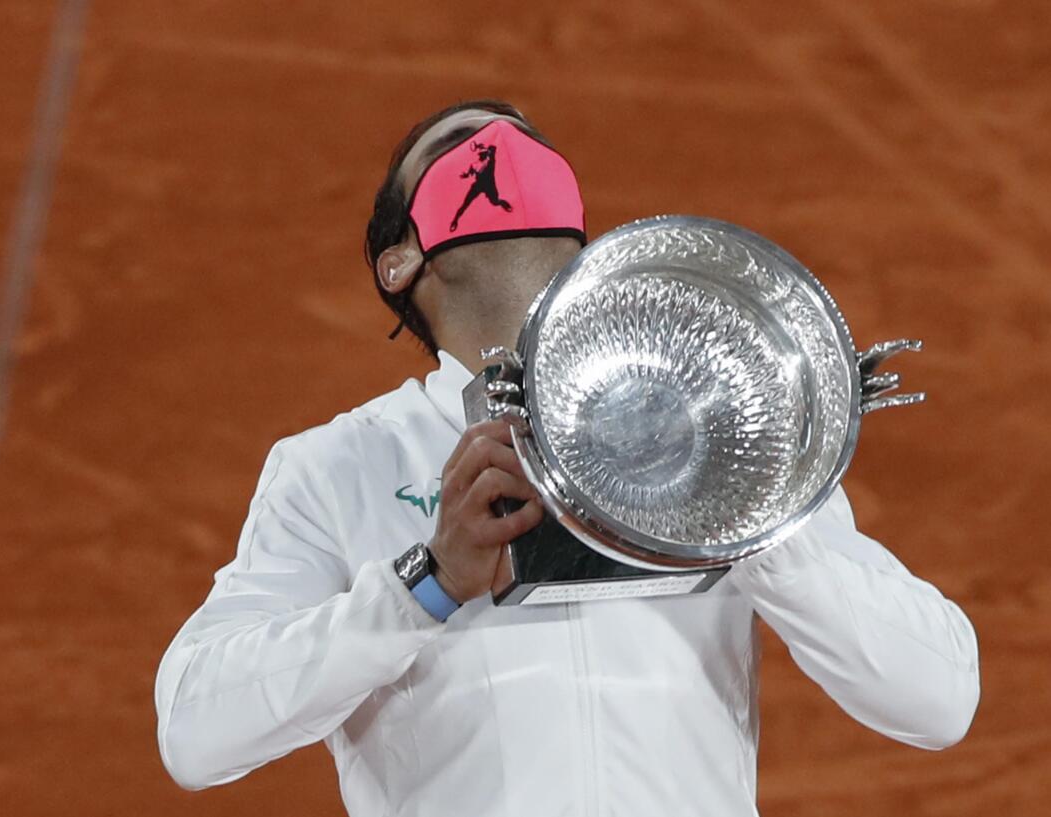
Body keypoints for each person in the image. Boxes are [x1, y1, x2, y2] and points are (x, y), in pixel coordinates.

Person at [154, 99, 980, 816]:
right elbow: (196, 728)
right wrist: (427, 583)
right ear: (397, 260)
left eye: (524, 138)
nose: (496, 141)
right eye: (451, 144)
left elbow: (937, 697)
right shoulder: (335, 465)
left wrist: (744, 511)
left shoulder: (715, 430)